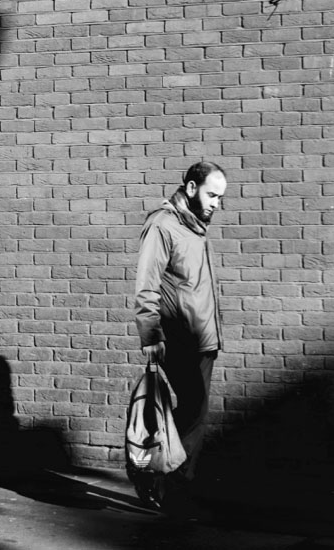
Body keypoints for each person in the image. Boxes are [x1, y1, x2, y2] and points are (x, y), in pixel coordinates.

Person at [133, 161, 226, 512]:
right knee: (193, 410)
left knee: (192, 411)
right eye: (212, 194)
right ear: (190, 187)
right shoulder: (163, 225)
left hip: (204, 338)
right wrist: (150, 333)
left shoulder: (196, 227)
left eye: (221, 197)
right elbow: (146, 284)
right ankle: (168, 483)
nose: (217, 202)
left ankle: (156, 472)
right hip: (178, 338)